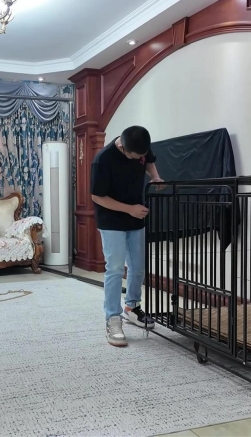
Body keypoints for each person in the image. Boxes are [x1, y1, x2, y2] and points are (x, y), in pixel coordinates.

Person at [90, 125, 164, 346]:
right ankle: (112, 317)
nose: (140, 159)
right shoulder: (103, 160)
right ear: (122, 147)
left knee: (138, 267)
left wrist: (155, 177)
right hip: (111, 220)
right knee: (115, 268)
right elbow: (97, 197)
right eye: (136, 157)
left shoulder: (140, 145)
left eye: (142, 155)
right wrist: (129, 209)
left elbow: (149, 161)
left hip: (136, 217)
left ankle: (131, 307)